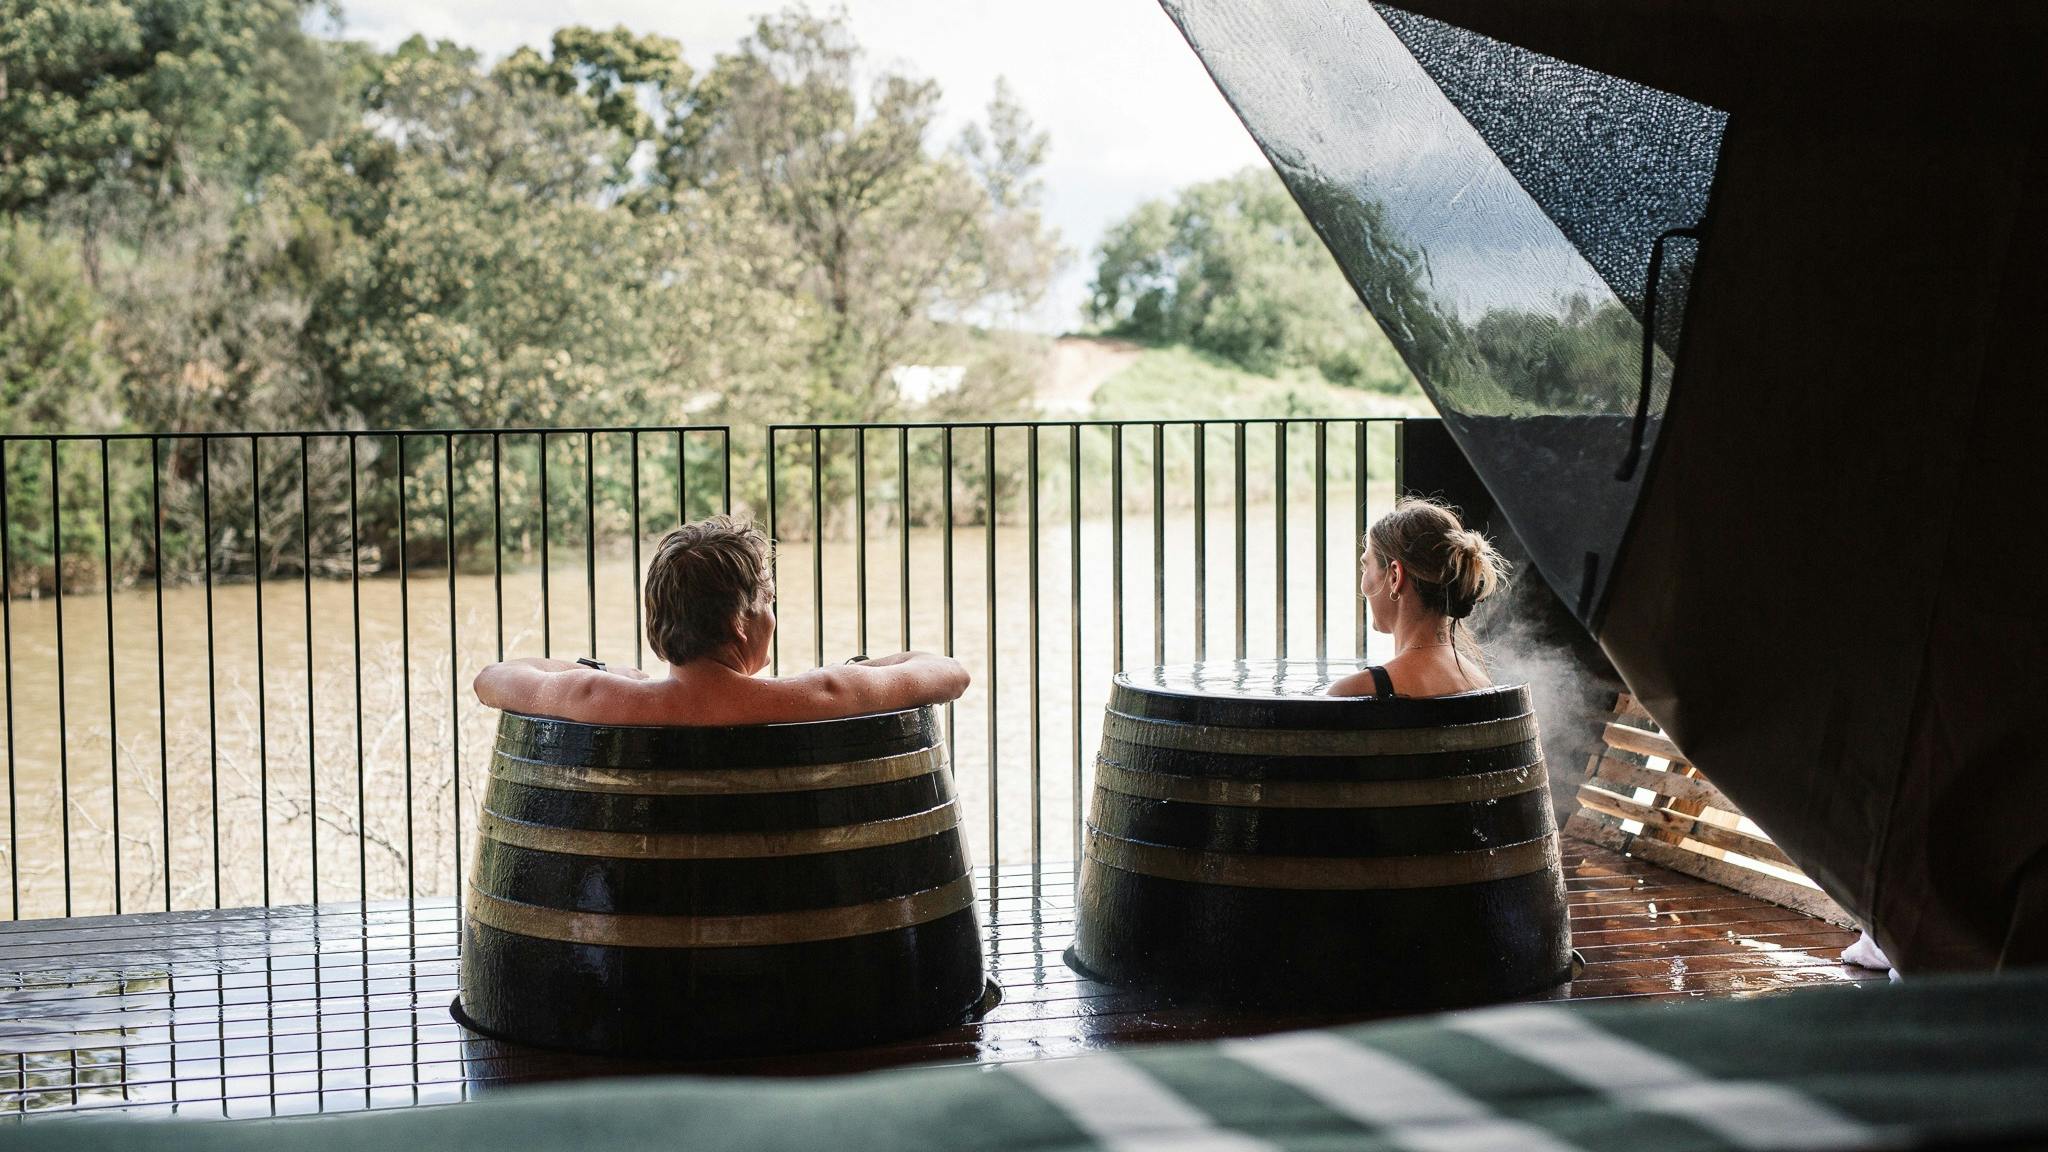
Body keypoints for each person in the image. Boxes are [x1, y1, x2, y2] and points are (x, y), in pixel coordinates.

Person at [473, 515, 970, 725]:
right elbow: (950, 672)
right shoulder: (821, 695)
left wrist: (605, 674)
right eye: (768, 603)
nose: (772, 618)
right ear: (739, 622)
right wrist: (866, 669)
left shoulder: (599, 698)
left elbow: (492, 679)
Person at [1327, 497, 1510, 699]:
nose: (1362, 586)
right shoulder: (1480, 682)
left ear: (1395, 576)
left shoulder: (1356, 691)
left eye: (1365, 567)